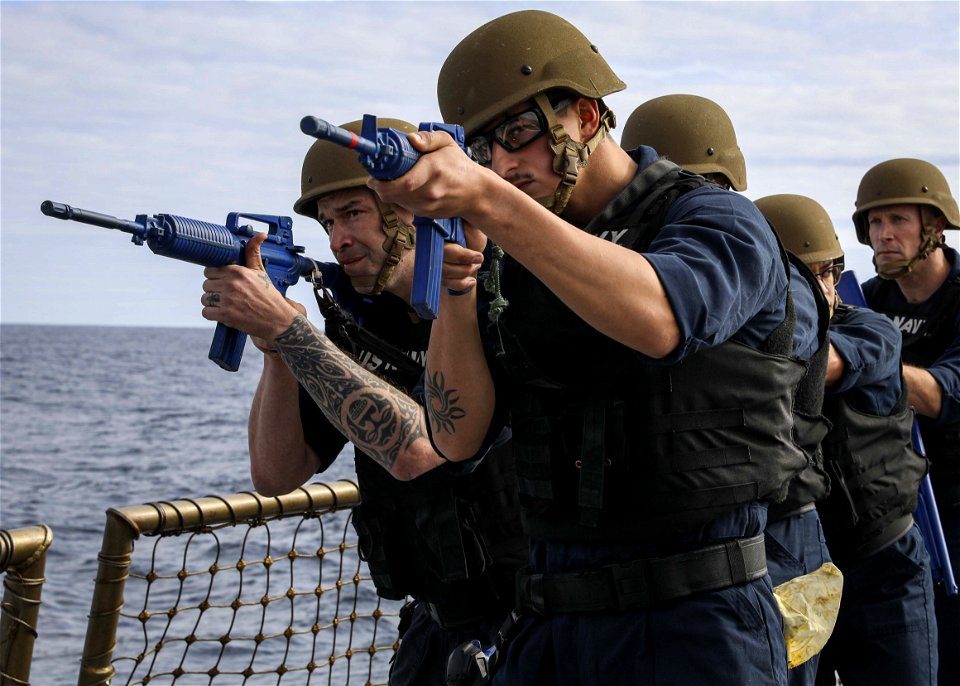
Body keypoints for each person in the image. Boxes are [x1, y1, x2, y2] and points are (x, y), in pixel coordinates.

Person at [368, 10, 822, 684]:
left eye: (518, 134)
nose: (502, 165)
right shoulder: (515, 253)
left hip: (698, 618)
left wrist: (491, 205)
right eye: (482, 151)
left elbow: (661, 317)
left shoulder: (715, 220)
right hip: (552, 617)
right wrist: (459, 289)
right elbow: (455, 436)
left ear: (583, 117)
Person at [203, 119, 527, 686]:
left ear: (410, 206)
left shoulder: (495, 299)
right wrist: (277, 350)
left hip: (526, 621)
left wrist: (289, 332)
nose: (336, 239)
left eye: (353, 213)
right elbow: (277, 474)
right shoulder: (355, 321)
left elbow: (426, 452)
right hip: (435, 620)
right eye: (328, 222)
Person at [622, 94, 836, 686]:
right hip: (706, 537)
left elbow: (768, 354)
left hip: (777, 525)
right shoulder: (645, 263)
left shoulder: (773, 272)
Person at [756, 193, 938, 686]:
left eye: (831, 270)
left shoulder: (872, 329)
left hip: (882, 563)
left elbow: (823, 362)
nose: (827, 287)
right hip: (797, 565)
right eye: (808, 276)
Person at [856, 158, 960, 685]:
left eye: (897, 220)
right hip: (891, 506)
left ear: (934, 228)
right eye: (874, 223)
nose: (883, 235)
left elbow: (944, 395)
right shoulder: (865, 304)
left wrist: (859, 360)